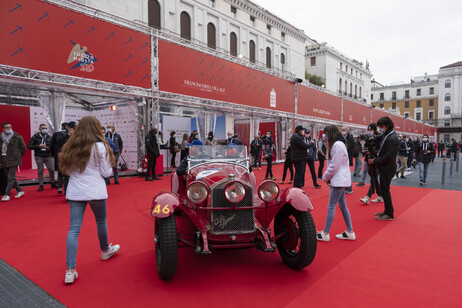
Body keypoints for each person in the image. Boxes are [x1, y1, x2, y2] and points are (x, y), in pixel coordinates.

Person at [59, 116, 120, 284]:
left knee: (73, 229)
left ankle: (70, 270)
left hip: (76, 191)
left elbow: (67, 171)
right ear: (95, 128)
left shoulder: (71, 145)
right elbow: (107, 173)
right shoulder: (101, 146)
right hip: (96, 191)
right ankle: (105, 250)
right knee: (101, 222)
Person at [316, 125, 355, 241]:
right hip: (339, 179)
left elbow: (334, 165)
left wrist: (325, 177)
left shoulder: (337, 145)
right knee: (342, 206)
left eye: (326, 133)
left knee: (331, 206)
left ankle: (325, 233)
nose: (325, 136)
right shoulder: (338, 144)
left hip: (338, 179)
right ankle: (350, 231)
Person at [368, 117, 399, 221]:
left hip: (387, 168)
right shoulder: (388, 135)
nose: (380, 129)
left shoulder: (392, 138)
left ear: (386, 125)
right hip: (385, 167)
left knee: (385, 191)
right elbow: (382, 136)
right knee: (384, 190)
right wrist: (375, 138)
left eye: (381, 127)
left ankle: (389, 213)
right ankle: (386, 211)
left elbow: (389, 156)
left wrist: (375, 161)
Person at [27, 124, 58, 191]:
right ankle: (41, 185)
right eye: (43, 128)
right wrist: (38, 146)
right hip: (39, 155)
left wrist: (48, 148)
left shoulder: (49, 137)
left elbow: (53, 146)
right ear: (39, 129)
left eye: (45, 128)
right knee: (40, 170)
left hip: (48, 156)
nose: (44, 129)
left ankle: (53, 183)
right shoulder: (35, 137)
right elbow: (29, 146)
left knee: (52, 169)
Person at [1, 122, 26, 202]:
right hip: (4, 159)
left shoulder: (18, 137)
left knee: (10, 178)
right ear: (3, 129)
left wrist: (17, 156)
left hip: (14, 160)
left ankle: (6, 194)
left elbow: (23, 149)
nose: (9, 129)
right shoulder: (1, 137)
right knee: (11, 177)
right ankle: (20, 190)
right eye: (7, 127)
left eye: (10, 127)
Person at [51, 122, 75, 195]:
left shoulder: (77, 135)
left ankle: (73, 193)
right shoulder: (60, 134)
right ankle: (66, 193)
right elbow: (59, 142)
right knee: (64, 174)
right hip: (64, 156)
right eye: (72, 128)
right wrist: (68, 135)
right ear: (68, 128)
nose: (73, 130)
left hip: (74, 157)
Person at [341, 126, 355, 194]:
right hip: (342, 157)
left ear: (347, 130)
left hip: (348, 157)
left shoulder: (351, 137)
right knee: (343, 173)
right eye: (342, 130)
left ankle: (349, 188)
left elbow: (349, 147)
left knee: (347, 173)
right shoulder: (342, 137)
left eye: (344, 130)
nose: (343, 131)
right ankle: (345, 187)